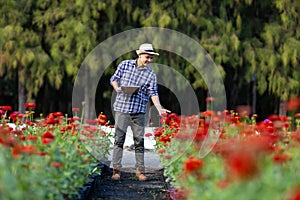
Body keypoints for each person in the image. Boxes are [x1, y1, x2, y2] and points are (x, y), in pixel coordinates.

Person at [110, 43, 170, 181]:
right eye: (147, 57)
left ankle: (140, 172)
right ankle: (116, 171)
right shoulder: (125, 65)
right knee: (119, 140)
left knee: (139, 142)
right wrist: (117, 88)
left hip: (139, 111)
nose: (149, 60)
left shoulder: (150, 74)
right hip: (121, 109)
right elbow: (114, 79)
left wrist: (160, 108)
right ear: (139, 55)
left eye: (151, 58)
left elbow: (153, 93)